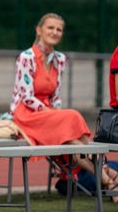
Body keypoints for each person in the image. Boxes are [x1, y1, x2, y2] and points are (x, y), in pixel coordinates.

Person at [9, 12, 118, 202]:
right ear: (39, 30)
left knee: (71, 134)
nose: (55, 32)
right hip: (28, 114)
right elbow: (25, 97)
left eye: (59, 29)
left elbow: (56, 96)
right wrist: (53, 113)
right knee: (71, 118)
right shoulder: (26, 57)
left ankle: (106, 179)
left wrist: (56, 112)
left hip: (49, 113)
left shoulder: (60, 59)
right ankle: (107, 176)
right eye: (50, 27)